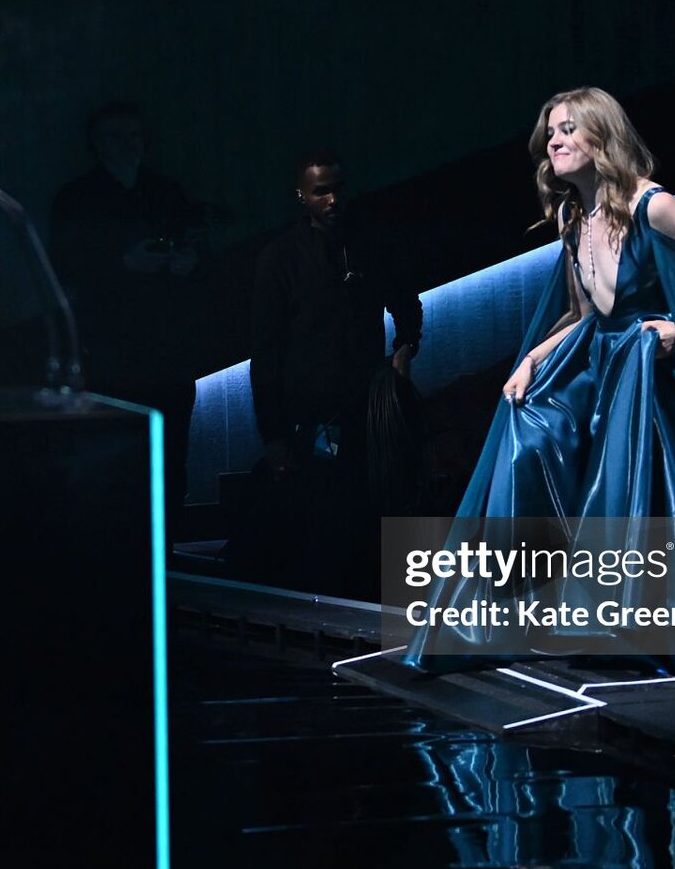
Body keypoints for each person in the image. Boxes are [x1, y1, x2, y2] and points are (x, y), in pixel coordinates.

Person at [403, 88, 675, 685]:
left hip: (648, 373)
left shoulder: (654, 206)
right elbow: (585, 314)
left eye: (568, 129)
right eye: (551, 132)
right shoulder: (572, 218)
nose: (554, 141)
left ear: (602, 136)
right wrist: (531, 360)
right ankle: (517, 611)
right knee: (527, 433)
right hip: (601, 359)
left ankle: (633, 630)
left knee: (627, 482)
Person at [239, 153, 423, 590]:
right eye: (321, 192)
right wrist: (273, 435)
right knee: (319, 521)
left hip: (364, 406)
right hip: (307, 412)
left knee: (362, 517)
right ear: (302, 196)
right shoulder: (281, 258)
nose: (333, 200)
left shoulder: (369, 245)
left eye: (338, 189)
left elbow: (406, 301)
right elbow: (265, 351)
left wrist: (404, 350)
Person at [50, 101, 207, 537]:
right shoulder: (78, 200)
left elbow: (198, 249)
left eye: (134, 136)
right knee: (116, 464)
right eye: (117, 137)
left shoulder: (165, 192)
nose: (128, 145)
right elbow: (64, 267)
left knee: (171, 458)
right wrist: (122, 263)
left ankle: (167, 554)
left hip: (168, 351)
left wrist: (188, 262)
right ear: (96, 144)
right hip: (112, 354)